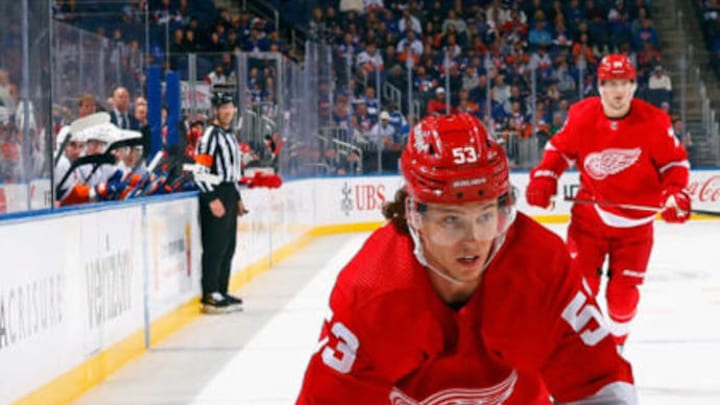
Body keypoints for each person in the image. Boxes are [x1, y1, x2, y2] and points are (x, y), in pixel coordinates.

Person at [297, 113, 636, 404]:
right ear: (415, 216)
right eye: (451, 220)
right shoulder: (371, 293)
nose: (474, 239)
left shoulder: (540, 266)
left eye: (486, 215)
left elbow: (599, 380)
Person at [525, 54, 691, 347]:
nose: (618, 91)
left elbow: (674, 164)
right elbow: (559, 150)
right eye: (611, 83)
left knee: (622, 300)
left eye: (624, 83)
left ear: (634, 86)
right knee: (580, 290)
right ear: (600, 86)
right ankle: (579, 354)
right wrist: (545, 176)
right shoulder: (581, 115)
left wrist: (676, 192)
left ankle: (615, 348)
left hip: (636, 229)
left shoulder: (654, 121)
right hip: (589, 220)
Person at [194, 92, 248, 314]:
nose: (228, 111)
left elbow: (233, 172)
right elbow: (200, 170)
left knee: (228, 245)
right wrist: (211, 198)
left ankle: (222, 289)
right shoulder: (210, 135)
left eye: (231, 107)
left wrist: (237, 197)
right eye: (224, 107)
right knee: (215, 245)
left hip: (228, 192)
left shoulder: (230, 135)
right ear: (215, 110)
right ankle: (210, 292)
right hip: (215, 192)